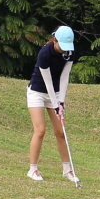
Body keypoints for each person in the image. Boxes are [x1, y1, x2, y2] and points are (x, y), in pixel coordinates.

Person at [25, 25, 79, 184]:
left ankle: (67, 170)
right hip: (37, 92)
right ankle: (32, 169)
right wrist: (55, 104)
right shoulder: (45, 53)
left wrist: (61, 101)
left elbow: (64, 77)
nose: (64, 50)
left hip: (55, 93)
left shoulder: (70, 52)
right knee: (40, 130)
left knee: (60, 132)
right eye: (61, 46)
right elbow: (47, 82)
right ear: (55, 40)